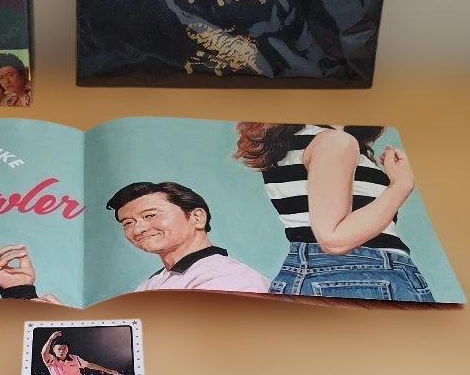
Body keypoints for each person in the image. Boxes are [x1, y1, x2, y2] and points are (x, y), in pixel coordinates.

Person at [233, 124, 435, 302]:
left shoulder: (295, 143)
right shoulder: (335, 141)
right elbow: (334, 238)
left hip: (318, 275)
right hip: (362, 276)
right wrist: (401, 185)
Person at [105, 181, 269, 293]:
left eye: (150, 215)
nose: (138, 229)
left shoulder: (227, 278)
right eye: (127, 223)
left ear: (197, 217)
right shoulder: (153, 283)